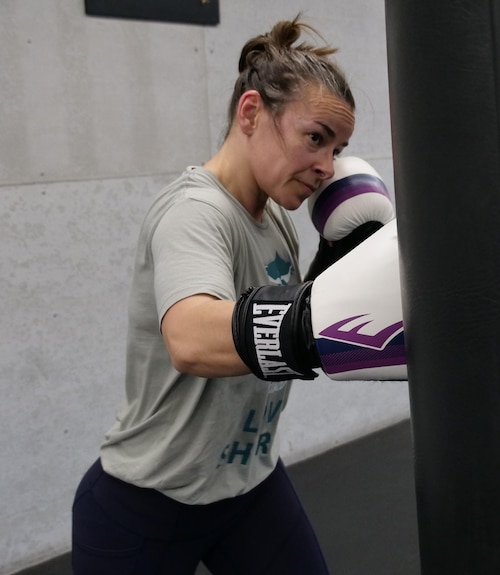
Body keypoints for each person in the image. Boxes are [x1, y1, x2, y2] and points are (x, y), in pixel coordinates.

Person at [72, 16, 360, 574]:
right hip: (148, 502)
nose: (328, 166)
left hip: (248, 485)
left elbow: (276, 321)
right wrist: (319, 322)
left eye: (339, 147)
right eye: (316, 138)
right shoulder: (195, 212)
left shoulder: (274, 213)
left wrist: (337, 274)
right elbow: (192, 338)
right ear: (251, 113)